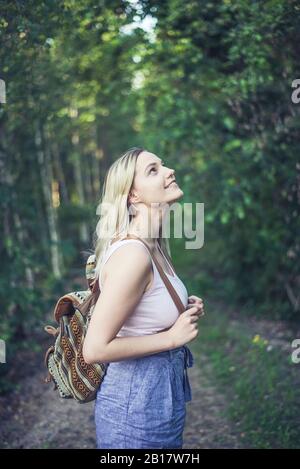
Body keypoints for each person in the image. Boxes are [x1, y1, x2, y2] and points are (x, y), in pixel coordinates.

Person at [83, 147, 204, 449]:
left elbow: (143, 314)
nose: (169, 171)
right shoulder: (134, 254)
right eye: (153, 170)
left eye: (163, 165)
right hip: (134, 409)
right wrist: (172, 338)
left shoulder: (154, 246)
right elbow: (94, 349)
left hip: (158, 397)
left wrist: (182, 309)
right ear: (133, 196)